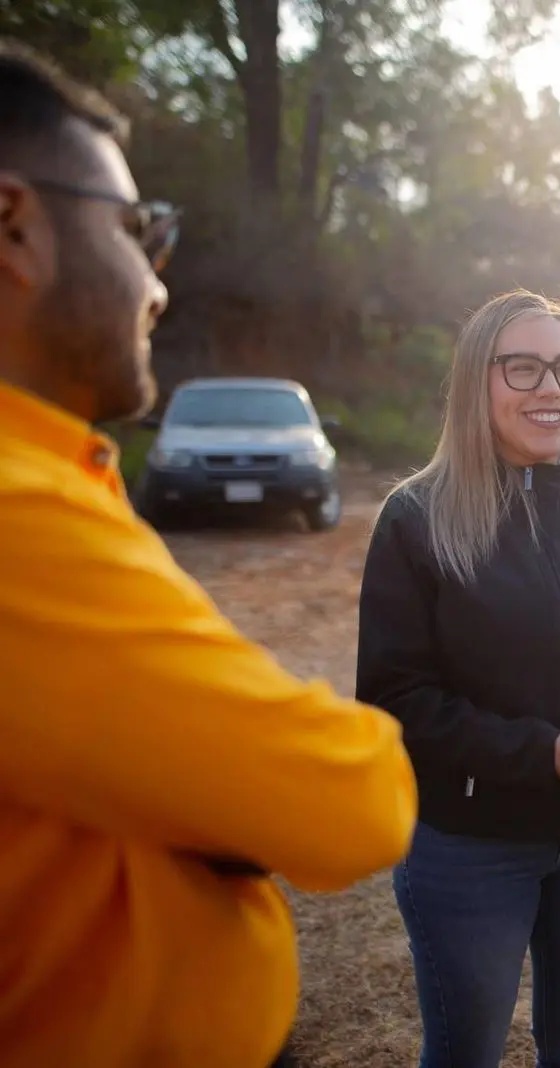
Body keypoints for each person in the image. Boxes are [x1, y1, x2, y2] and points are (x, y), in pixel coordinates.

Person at [0, 40, 418, 1068]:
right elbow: (347, 802)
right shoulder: (19, 518)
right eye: (139, 230)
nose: (156, 282)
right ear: (12, 224)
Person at [356, 289, 560, 1068]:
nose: (551, 388)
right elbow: (394, 700)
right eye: (523, 367)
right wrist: (537, 753)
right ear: (479, 381)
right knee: (466, 1050)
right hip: (468, 845)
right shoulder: (417, 518)